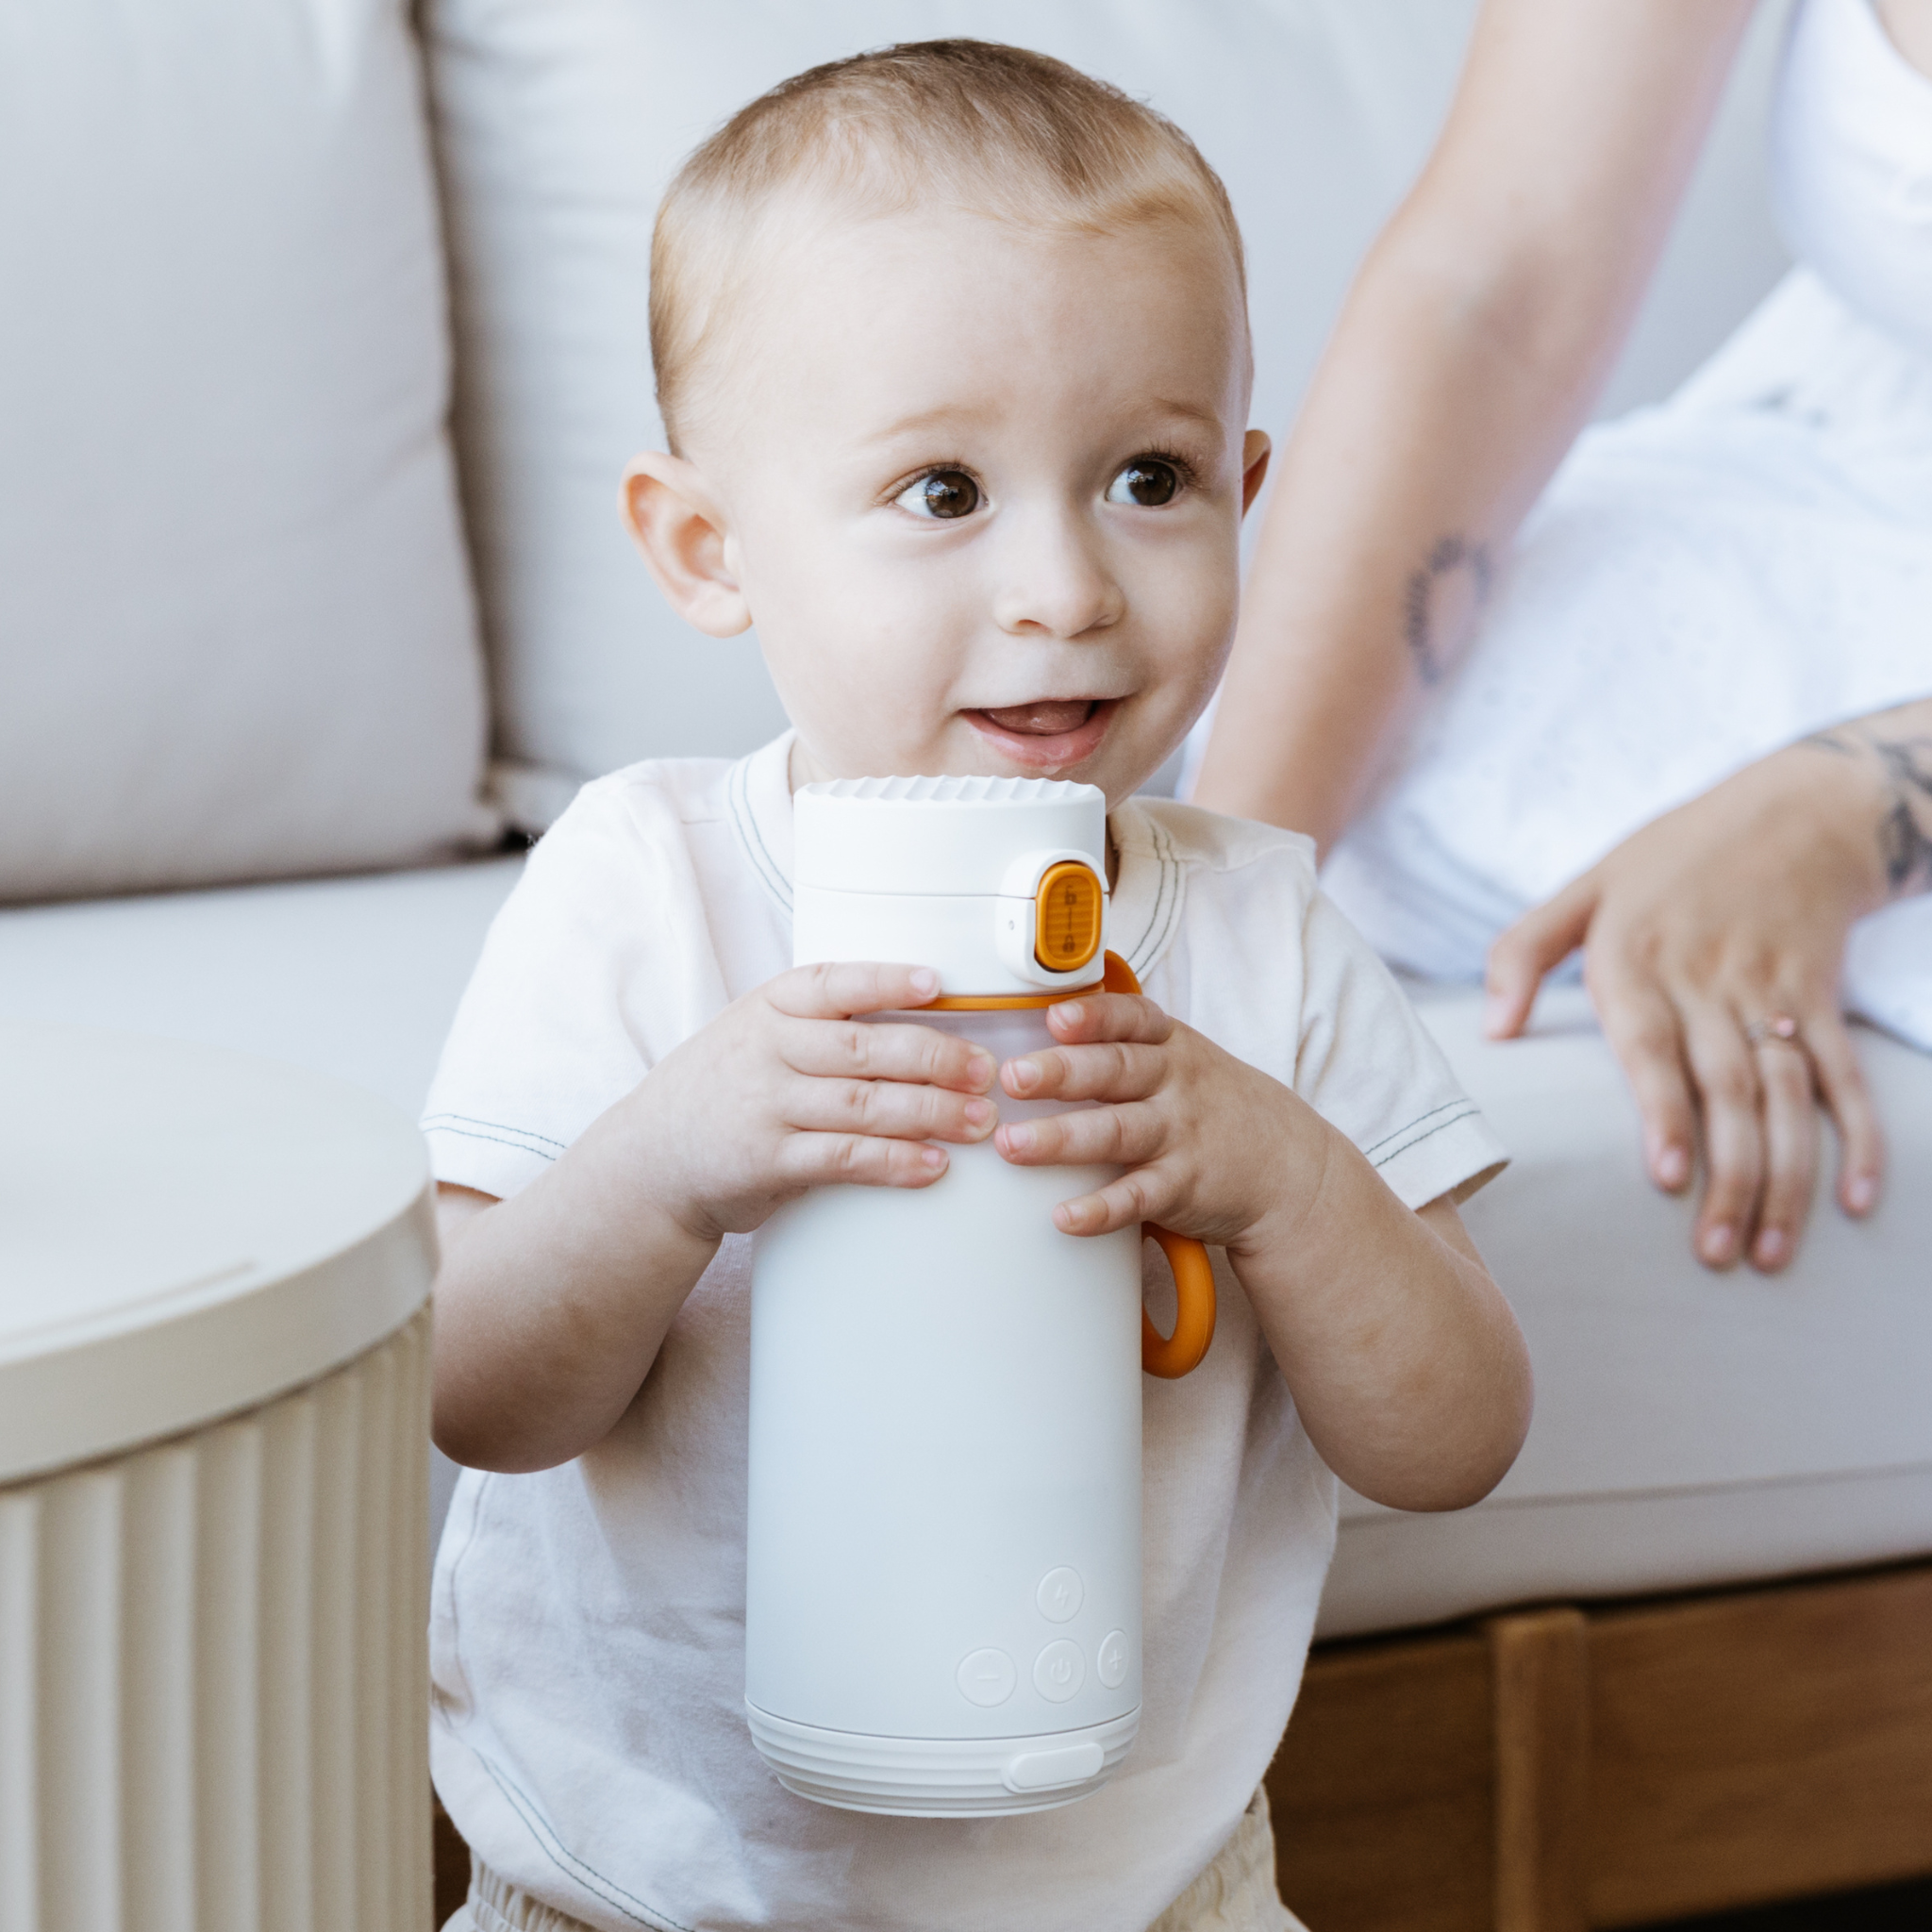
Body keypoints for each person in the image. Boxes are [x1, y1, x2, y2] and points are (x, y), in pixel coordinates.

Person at [421, 42, 1531, 1932]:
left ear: (1245, 492)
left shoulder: (1256, 933)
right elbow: (476, 1391)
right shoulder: (645, 884)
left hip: (1140, 1892)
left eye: (1149, 478)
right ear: (711, 548)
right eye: (942, 487)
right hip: (637, 1885)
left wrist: (1276, 1175)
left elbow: (1456, 1439)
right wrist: (673, 1158)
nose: (1064, 583)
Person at [1194, 0, 1932, 1278]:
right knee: (1367, 708)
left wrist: (1840, 811)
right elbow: (1496, 289)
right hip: (1859, 479)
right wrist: (1222, 907)